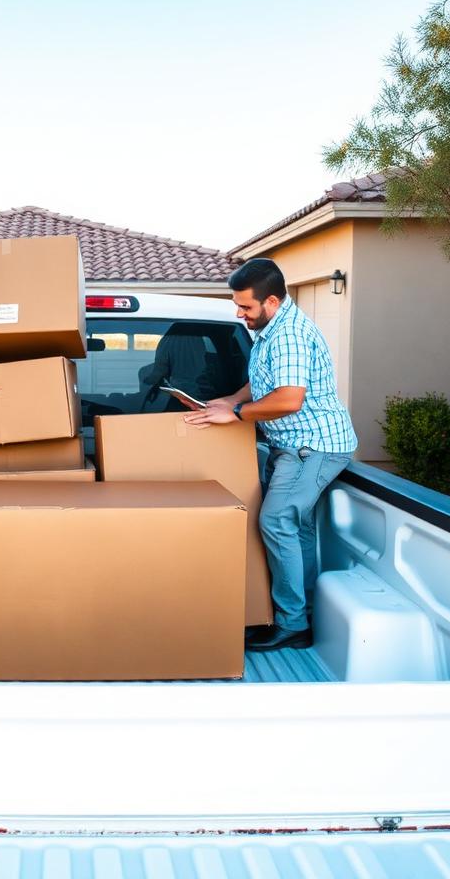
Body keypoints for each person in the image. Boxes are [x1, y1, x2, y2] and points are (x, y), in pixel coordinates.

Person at [185, 258, 357, 651]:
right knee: (297, 529)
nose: (239, 313)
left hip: (313, 446)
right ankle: (305, 616)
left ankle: (292, 624)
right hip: (296, 444)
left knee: (277, 521)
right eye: (237, 305)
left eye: (245, 306)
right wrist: (231, 399)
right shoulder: (272, 330)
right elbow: (264, 381)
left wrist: (237, 414)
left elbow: (289, 398)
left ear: (272, 302)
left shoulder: (289, 336)